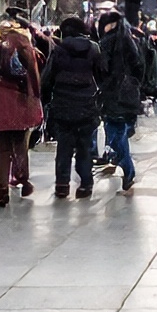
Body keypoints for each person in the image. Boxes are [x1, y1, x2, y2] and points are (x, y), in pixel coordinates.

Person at [0, 20, 44, 207]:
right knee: (21, 142)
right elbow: (36, 77)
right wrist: (35, 97)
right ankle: (23, 179)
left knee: (2, 149)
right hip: (23, 101)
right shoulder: (28, 49)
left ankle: (0, 193)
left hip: (1, 102)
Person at [42, 15, 104, 199]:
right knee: (84, 146)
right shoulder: (93, 49)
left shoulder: (59, 50)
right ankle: (85, 184)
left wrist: (46, 100)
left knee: (64, 146)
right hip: (86, 103)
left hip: (63, 104)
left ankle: (62, 184)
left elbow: (48, 78)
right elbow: (101, 75)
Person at [95, 9, 150, 191]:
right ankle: (124, 165)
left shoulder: (106, 43)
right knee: (119, 130)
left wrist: (104, 85)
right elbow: (140, 66)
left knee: (115, 131)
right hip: (129, 94)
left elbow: (101, 69)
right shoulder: (131, 41)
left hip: (113, 94)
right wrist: (135, 84)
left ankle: (128, 168)